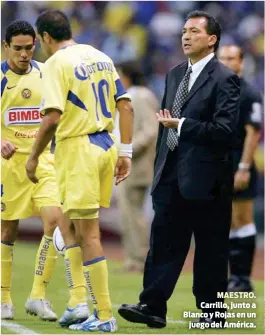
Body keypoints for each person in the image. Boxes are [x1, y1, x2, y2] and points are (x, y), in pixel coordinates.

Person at [118, 10, 240, 328]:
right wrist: (161, 166)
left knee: (210, 249)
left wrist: (182, 124)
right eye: (184, 30)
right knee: (163, 242)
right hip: (171, 172)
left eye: (194, 31)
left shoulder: (226, 79)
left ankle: (213, 314)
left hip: (209, 178)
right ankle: (152, 306)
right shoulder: (173, 74)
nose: (186, 36)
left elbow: (225, 131)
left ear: (211, 39)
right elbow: (165, 124)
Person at [25, 10, 133, 332]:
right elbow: (124, 104)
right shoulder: (100, 55)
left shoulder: (57, 62)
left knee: (89, 234)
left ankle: (103, 316)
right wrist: (124, 152)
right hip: (105, 143)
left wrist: (33, 157)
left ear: (45, 37)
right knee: (67, 223)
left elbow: (53, 117)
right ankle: (77, 303)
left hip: (78, 148)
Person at [1, 20, 63, 321]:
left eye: (29, 48)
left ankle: (38, 295)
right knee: (7, 230)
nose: (24, 54)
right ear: (5, 47)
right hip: (8, 166)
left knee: (55, 220)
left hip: (42, 162)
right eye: (18, 49)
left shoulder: (46, 73)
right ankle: (3, 299)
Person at [218, 45, 262, 292]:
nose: (225, 62)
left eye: (231, 58)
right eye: (222, 58)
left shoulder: (248, 92)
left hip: (238, 161)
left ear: (241, 62)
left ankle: (242, 277)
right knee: (228, 220)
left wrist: (244, 167)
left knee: (242, 218)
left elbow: (253, 131)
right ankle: (232, 276)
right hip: (218, 161)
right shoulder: (218, 89)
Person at [116, 62, 158, 273]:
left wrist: (127, 150)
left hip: (136, 165)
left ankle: (140, 259)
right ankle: (133, 259)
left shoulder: (140, 95)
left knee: (134, 213)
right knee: (128, 214)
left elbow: (151, 129)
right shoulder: (133, 95)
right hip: (129, 164)